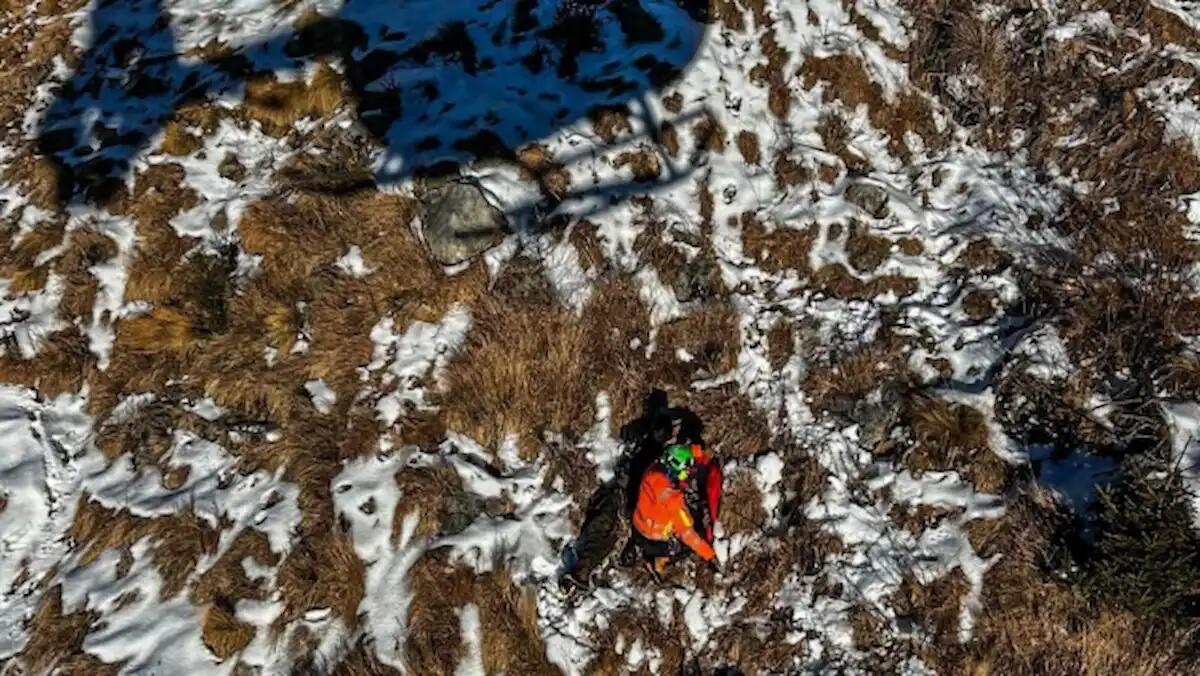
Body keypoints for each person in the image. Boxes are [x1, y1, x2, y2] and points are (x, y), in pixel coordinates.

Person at [629, 443, 722, 577]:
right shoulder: (672, 500)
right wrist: (710, 555)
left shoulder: (653, 469)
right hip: (656, 538)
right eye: (686, 468)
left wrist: (699, 451)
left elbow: (679, 452)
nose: (688, 472)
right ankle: (657, 562)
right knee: (684, 544)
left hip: (637, 524)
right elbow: (687, 534)